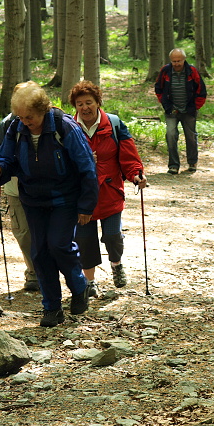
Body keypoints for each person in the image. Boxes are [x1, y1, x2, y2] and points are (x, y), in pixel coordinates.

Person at [0, 83, 98, 328]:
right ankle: (52, 308)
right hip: (33, 199)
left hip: (64, 199)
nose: (25, 121)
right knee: (39, 252)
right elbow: (7, 157)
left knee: (59, 244)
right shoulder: (16, 128)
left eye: (30, 117)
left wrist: (86, 206)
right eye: (21, 117)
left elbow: (87, 168)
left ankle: (79, 286)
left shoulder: (65, 127)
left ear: (43, 110)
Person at [68, 80, 148, 296]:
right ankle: (90, 282)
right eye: (79, 104)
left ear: (97, 103)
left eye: (89, 102)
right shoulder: (69, 127)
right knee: (84, 240)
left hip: (110, 191)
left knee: (113, 236)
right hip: (81, 196)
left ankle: (116, 264)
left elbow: (129, 157)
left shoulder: (113, 124)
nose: (84, 107)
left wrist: (135, 174)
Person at [0, 81, 39, 292]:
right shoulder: (7, 123)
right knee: (23, 233)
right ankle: (34, 272)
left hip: (44, 188)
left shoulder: (49, 121)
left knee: (44, 233)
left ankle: (45, 271)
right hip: (15, 189)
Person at [154, 48, 207, 175]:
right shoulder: (165, 71)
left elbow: (201, 91)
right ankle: (173, 165)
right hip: (171, 110)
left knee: (191, 137)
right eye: (174, 61)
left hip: (189, 110)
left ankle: (192, 162)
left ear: (184, 60)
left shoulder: (192, 71)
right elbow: (158, 89)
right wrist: (166, 106)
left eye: (179, 61)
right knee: (171, 135)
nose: (177, 64)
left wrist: (194, 108)